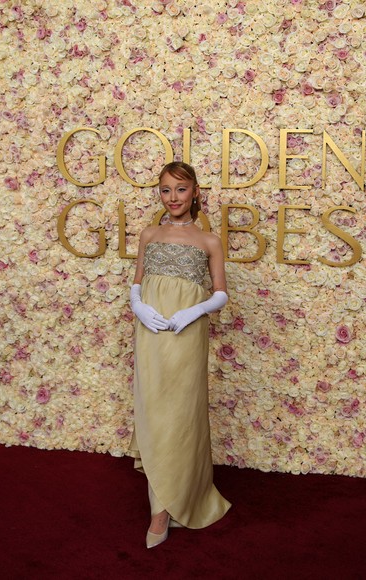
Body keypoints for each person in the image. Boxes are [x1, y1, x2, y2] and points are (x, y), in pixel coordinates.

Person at [128, 161, 231, 549]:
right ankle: (161, 500)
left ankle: (166, 508)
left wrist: (196, 309)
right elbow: (137, 281)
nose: (173, 198)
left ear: (195, 193)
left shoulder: (209, 241)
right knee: (154, 409)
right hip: (150, 330)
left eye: (181, 190)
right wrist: (137, 304)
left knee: (180, 414)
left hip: (187, 333)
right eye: (166, 190)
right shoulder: (149, 234)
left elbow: (221, 292)